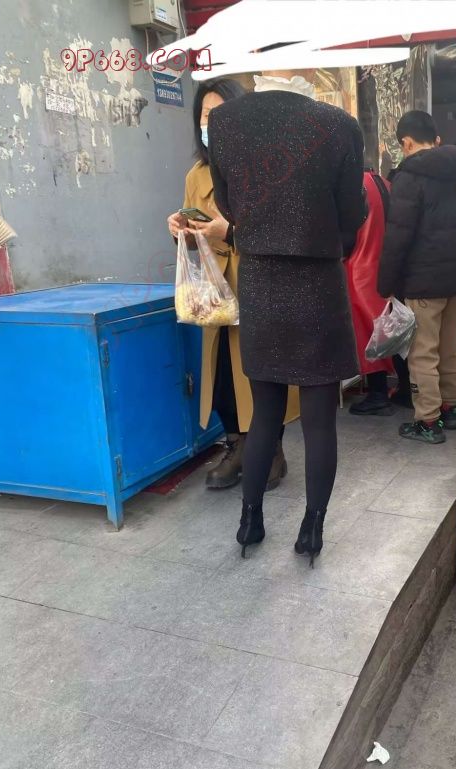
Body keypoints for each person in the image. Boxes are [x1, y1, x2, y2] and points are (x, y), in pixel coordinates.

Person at [207, 70, 367, 563]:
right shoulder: (339, 124)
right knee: (319, 422)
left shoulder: (224, 121)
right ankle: (312, 530)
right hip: (318, 284)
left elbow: (229, 205)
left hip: (260, 282)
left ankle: (249, 520)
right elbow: (352, 215)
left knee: (264, 416)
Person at [166, 78, 297, 492]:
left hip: (259, 283)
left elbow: (283, 232)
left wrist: (230, 231)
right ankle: (237, 446)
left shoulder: (269, 169)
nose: (212, 124)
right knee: (222, 373)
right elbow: (195, 234)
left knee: (262, 372)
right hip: (216, 290)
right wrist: (181, 230)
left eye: (221, 115)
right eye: (206, 116)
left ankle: (270, 449)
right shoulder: (196, 175)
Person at [378, 110, 456, 444]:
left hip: (423, 281)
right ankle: (450, 408)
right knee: (450, 348)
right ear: (436, 139)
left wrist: (385, 284)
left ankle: (428, 421)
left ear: (406, 142)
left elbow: (398, 236)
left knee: (423, 352)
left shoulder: (408, 178)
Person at [344, 170, 396, 416]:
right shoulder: (383, 182)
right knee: (387, 330)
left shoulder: (355, 184)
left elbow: (347, 230)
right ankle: (398, 389)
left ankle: (377, 393)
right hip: (384, 265)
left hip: (360, 266)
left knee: (368, 333)